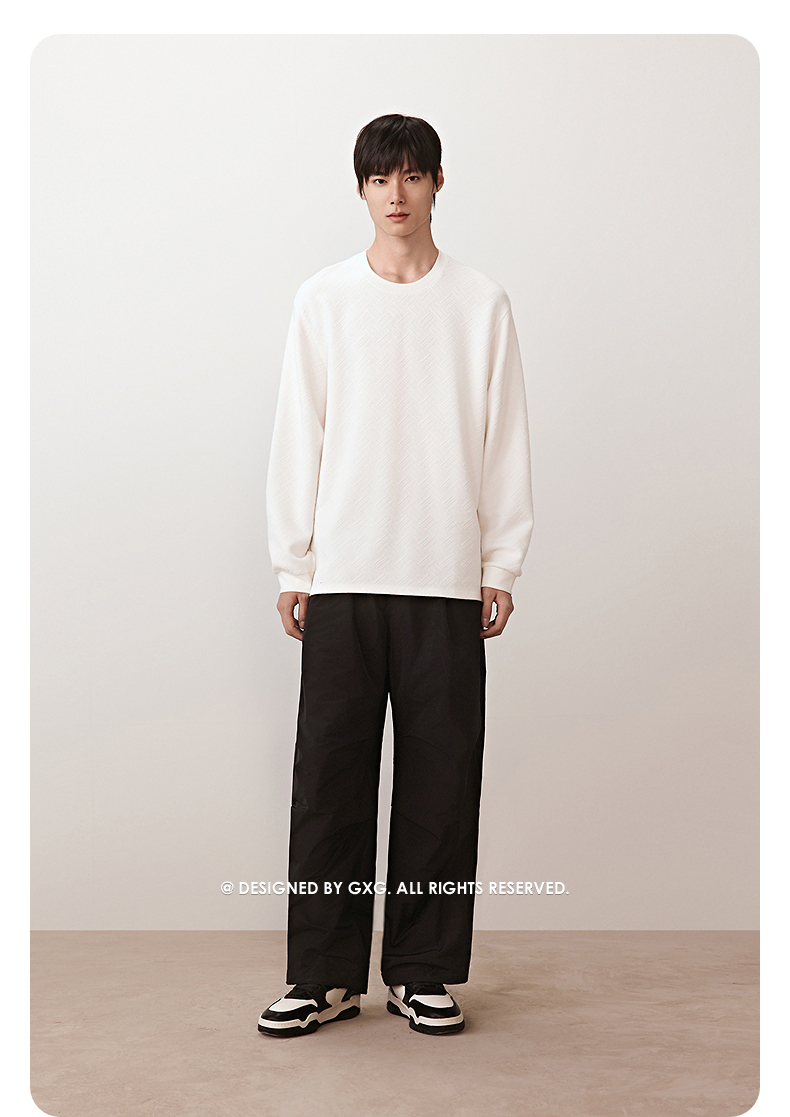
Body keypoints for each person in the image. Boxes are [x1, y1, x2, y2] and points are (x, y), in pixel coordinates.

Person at [258, 113, 533, 1038]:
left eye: (413, 175)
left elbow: (504, 438)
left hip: (445, 579)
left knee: (441, 786)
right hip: (342, 576)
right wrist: (293, 560)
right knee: (329, 785)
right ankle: (323, 976)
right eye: (381, 178)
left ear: (439, 183)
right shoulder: (324, 299)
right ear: (362, 189)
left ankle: (422, 971)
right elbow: (299, 432)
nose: (397, 194)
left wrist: (501, 561)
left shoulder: (481, 302)